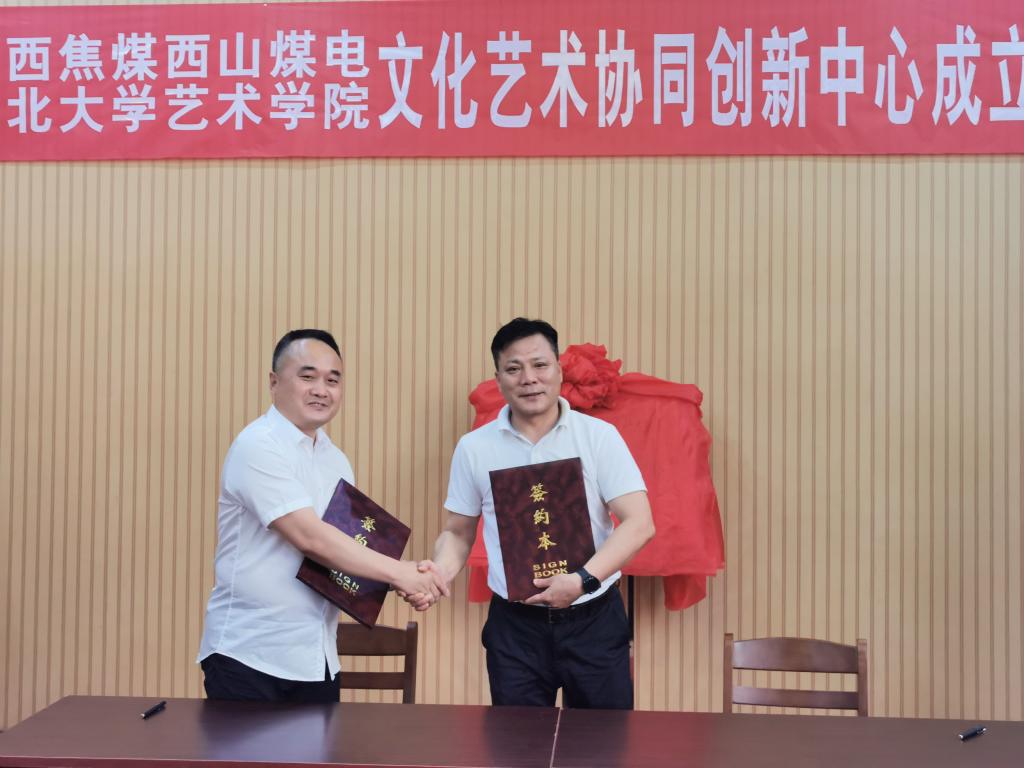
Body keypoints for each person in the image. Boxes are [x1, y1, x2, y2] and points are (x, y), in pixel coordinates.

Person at [410, 318, 654, 709]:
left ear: (558, 369)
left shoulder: (598, 437)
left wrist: (582, 580)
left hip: (593, 620)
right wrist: (438, 574)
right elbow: (457, 532)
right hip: (515, 628)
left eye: (540, 365)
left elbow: (639, 523)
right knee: (517, 742)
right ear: (498, 379)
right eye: (514, 368)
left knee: (603, 742)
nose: (529, 379)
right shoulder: (474, 448)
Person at [198, 329, 446, 702]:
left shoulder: (336, 460)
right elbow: (310, 538)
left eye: (333, 380)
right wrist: (401, 572)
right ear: (274, 382)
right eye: (308, 376)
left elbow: (343, 551)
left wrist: (402, 581)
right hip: (250, 655)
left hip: (317, 657)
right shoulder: (257, 445)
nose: (321, 390)